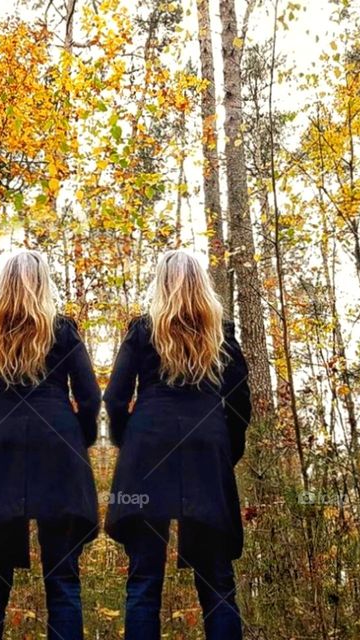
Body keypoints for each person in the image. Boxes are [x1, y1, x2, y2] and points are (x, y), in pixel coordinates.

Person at [104, 249, 252, 640]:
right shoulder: (222, 332)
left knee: (143, 581)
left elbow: (115, 398)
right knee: (217, 581)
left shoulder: (142, 330)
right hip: (206, 451)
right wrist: (225, 451)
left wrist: (127, 442)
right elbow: (239, 403)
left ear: (161, 283)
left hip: (148, 451)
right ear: (201, 283)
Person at [0, 250, 101, 640]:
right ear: (44, 283)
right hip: (58, 447)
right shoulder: (63, 330)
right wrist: (79, 442)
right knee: (63, 580)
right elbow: (89, 398)